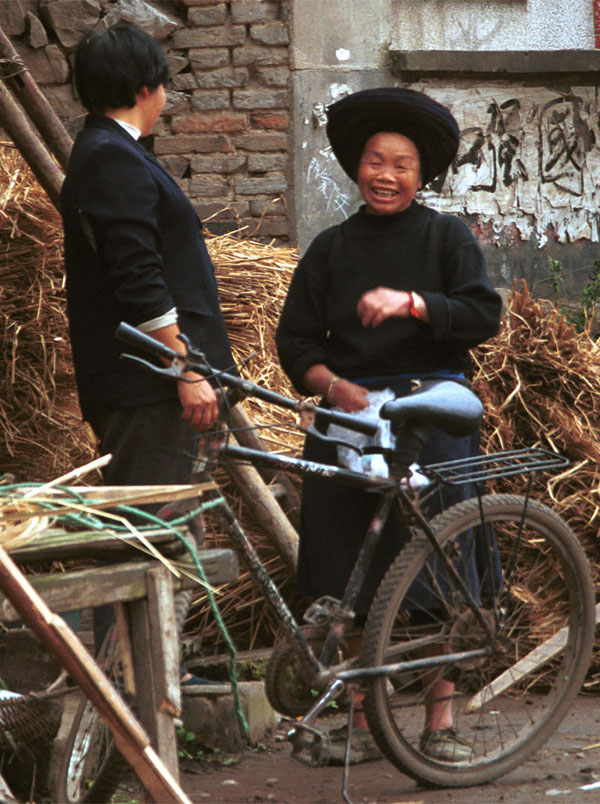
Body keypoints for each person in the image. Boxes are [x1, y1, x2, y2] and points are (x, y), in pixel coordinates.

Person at [276, 87, 502, 763]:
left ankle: (440, 722)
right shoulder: (329, 250)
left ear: (420, 175)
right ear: (356, 167)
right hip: (349, 419)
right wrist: (331, 386)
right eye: (376, 159)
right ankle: (361, 722)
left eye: (401, 164)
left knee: (439, 568)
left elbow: (481, 314)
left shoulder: (446, 238)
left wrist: (412, 303)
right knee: (344, 576)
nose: (385, 174)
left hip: (432, 415)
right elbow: (295, 345)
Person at [60, 23, 236, 684]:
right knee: (145, 533)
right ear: (144, 87)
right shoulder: (111, 157)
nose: (167, 95)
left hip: (149, 383)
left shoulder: (114, 152)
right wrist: (186, 368)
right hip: (149, 387)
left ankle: (150, 672)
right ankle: (127, 688)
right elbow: (139, 279)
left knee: (160, 531)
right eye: (163, 83)